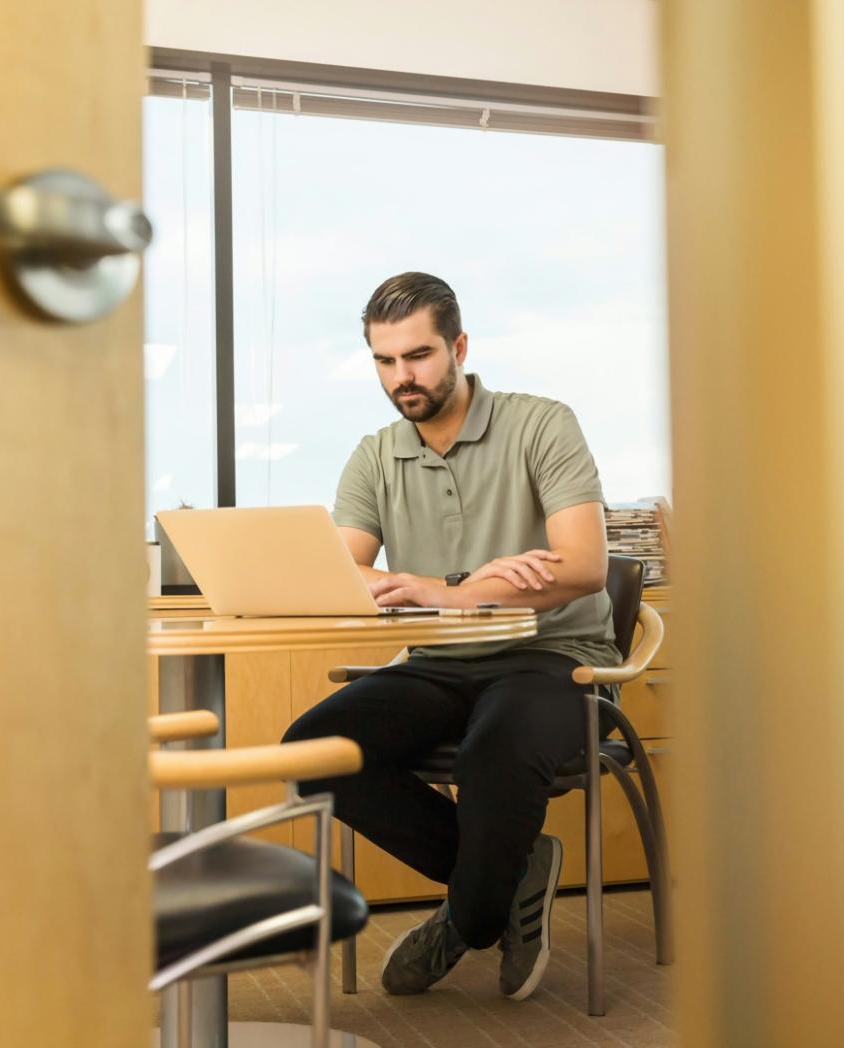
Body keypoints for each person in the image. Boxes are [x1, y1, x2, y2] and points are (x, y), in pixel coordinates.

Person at [282, 272, 618, 1001]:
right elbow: (347, 579)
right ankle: (509, 873)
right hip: (437, 662)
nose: (401, 377)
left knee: (494, 748)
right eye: (384, 361)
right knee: (314, 752)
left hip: (553, 655)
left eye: (418, 355)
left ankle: (463, 921)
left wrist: (448, 590)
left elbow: (585, 566)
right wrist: (462, 589)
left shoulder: (540, 423)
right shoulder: (375, 455)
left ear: (458, 346)